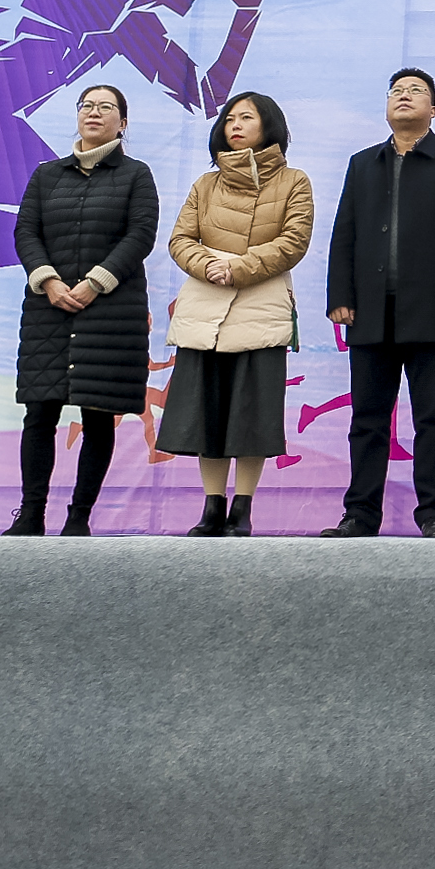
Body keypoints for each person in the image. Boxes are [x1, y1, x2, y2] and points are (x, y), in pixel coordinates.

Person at [321, 69, 435, 539]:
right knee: (368, 419)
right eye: (396, 91)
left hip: (433, 310)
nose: (404, 96)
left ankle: (434, 514)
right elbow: (344, 231)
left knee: (433, 418)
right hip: (370, 311)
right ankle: (359, 514)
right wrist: (340, 295)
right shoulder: (363, 163)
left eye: (416, 91)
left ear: (433, 109)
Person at [5, 83, 159, 536]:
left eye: (105, 107)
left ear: (122, 123)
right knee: (39, 413)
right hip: (48, 308)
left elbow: (140, 235)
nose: (94, 112)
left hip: (111, 311)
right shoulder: (46, 175)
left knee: (98, 413)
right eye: (86, 106)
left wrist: (95, 283)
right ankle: (30, 514)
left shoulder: (136, 175)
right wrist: (48, 280)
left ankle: (79, 518)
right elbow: (26, 232)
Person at [157, 92, 313, 536]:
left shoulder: (294, 181)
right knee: (206, 412)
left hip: (261, 307)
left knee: (252, 414)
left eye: (247, 117)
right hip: (206, 307)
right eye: (230, 118)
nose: (236, 125)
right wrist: (208, 265)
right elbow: (180, 239)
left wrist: (238, 268)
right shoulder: (205, 185)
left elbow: (294, 241)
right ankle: (212, 507)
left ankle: (242, 508)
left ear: (269, 126)